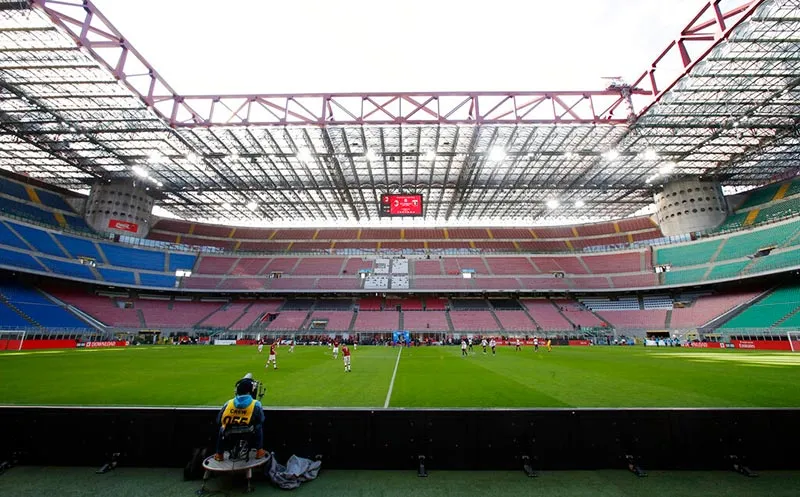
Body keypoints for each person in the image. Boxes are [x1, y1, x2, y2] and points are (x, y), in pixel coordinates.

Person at [214, 376, 266, 461]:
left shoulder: (228, 403)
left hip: (229, 434)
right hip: (248, 432)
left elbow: (219, 420)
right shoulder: (255, 404)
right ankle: (259, 450)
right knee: (258, 426)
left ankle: (219, 454)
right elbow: (261, 419)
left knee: (222, 428)